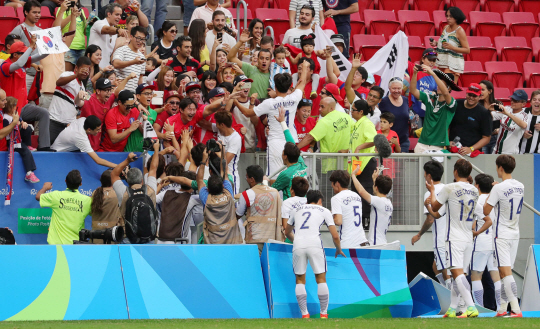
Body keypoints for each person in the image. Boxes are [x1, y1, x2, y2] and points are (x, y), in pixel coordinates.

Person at [426, 159, 481, 318]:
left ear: (455, 172)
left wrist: (431, 192)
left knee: (457, 274)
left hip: (454, 237)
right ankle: (453, 308)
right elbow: (439, 213)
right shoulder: (474, 190)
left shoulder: (450, 188)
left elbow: (435, 207)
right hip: (468, 238)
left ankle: (471, 306)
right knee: (461, 274)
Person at [235, 64, 309, 176]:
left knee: (274, 176)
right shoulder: (294, 98)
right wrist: (304, 67)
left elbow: (247, 112)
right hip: (291, 141)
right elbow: (302, 82)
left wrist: (235, 100)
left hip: (275, 143)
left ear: (275, 87)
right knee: (293, 175)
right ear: (289, 86)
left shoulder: (269, 103)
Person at [285, 190, 346, 319]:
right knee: (321, 279)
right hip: (315, 244)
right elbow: (335, 235)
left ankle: (304, 314)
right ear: (319, 201)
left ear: (307, 200)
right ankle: (323, 313)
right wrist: (339, 249)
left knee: (300, 281)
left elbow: (287, 231)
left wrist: (296, 239)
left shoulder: (296, 210)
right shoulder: (324, 210)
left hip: (298, 244)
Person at [483, 155, 524, 318]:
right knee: (504, 272)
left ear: (500, 168)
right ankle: (502, 309)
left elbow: (486, 211)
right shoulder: (520, 186)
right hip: (515, 233)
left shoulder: (498, 188)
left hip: (502, 234)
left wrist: (492, 192)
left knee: (505, 272)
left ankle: (515, 309)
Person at [0, 38, 52, 151]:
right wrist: (30, 47)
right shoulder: (5, 66)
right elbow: (18, 64)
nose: (26, 55)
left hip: (23, 106)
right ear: (15, 55)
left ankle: (44, 147)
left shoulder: (23, 62)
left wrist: (52, 44)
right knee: (25, 129)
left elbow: (41, 56)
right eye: (22, 53)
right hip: (11, 110)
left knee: (44, 113)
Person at [412, 160, 451, 288]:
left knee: (446, 272)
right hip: (452, 237)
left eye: (424, 173)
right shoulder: (447, 189)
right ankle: (448, 294)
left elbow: (430, 219)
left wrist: (419, 234)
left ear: (429, 176)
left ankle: (453, 301)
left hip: (441, 240)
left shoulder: (429, 193)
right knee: (436, 266)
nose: (423, 175)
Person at [197, 148, 243, 244]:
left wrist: (203, 160)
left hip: (213, 244)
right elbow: (225, 172)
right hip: (232, 243)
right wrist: (222, 151)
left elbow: (199, 180)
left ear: (208, 189)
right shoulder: (229, 195)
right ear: (223, 186)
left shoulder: (206, 199)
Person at [297, 97, 354, 173]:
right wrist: (349, 150)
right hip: (345, 163)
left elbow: (310, 137)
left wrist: (295, 149)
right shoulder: (346, 117)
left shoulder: (324, 121)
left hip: (329, 165)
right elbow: (355, 133)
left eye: (322, 107)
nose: (319, 109)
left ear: (331, 108)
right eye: (319, 106)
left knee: (328, 184)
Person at [111, 141, 160, 228]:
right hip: (148, 237)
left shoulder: (123, 192)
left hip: (128, 238)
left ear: (127, 180)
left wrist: (127, 160)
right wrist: (156, 150)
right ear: (142, 180)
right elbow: (153, 169)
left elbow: (114, 174)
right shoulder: (150, 190)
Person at [36, 170, 92, 245]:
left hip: (55, 245)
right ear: (80, 184)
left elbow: (38, 196)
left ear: (65, 181)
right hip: (75, 245)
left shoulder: (56, 196)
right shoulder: (87, 200)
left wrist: (45, 188)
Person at [236, 165, 284, 252]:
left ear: (252, 179)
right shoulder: (275, 192)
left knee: (256, 264)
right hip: (272, 238)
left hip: (254, 238)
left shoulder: (246, 194)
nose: (246, 179)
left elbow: (238, 214)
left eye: (246, 177)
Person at [410, 66, 458, 153]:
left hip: (438, 146)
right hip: (421, 144)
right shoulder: (429, 98)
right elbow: (413, 90)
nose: (438, 87)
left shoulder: (452, 103)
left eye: (442, 85)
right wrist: (415, 74)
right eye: (438, 84)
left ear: (449, 88)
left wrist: (433, 74)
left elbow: (446, 93)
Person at [80, 76, 135, 151]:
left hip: (97, 136)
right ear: (98, 91)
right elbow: (79, 103)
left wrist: (127, 78)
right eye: (106, 90)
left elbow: (117, 92)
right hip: (85, 134)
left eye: (110, 90)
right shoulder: (89, 99)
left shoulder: (109, 98)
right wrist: (78, 96)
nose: (109, 93)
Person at [471, 173, 500, 309]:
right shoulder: (497, 199)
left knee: (476, 275)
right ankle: (502, 307)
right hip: (495, 241)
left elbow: (474, 222)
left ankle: (479, 308)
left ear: (477, 186)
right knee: (496, 276)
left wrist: (474, 232)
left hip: (481, 241)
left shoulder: (477, 200)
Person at [265, 107, 308, 200]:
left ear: (285, 156)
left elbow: (271, 191)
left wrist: (264, 182)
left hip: (289, 209)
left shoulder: (285, 175)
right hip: (303, 203)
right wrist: (282, 122)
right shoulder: (301, 163)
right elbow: (291, 141)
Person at [49, 56, 91, 144]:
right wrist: (76, 75)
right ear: (76, 68)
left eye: (88, 70)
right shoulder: (67, 74)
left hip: (68, 124)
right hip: (54, 120)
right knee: (48, 147)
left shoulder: (82, 87)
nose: (85, 73)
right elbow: (58, 82)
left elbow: (78, 106)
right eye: (83, 70)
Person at [347, 99, 377, 222]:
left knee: (364, 192)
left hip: (367, 163)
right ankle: (358, 219)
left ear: (360, 112)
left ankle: (366, 220)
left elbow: (374, 139)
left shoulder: (366, 123)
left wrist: (359, 147)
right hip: (357, 164)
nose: (350, 112)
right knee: (356, 192)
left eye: (353, 110)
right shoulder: (356, 124)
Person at [51, 115, 119, 168]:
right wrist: (119, 166)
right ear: (89, 130)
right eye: (97, 130)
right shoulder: (80, 137)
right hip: (57, 155)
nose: (100, 131)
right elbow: (98, 160)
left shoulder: (83, 119)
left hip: (67, 148)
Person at [1, 96, 39, 183]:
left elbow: (20, 120)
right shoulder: (5, 118)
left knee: (27, 128)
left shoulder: (15, 115)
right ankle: (29, 173)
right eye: (15, 106)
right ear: (10, 107)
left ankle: (27, 144)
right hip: (12, 142)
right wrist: (15, 124)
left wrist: (23, 123)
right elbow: (7, 130)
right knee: (25, 151)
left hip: (18, 139)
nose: (16, 107)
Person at [351, 167, 393, 246]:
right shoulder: (388, 203)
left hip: (375, 244)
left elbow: (361, 191)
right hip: (382, 242)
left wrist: (353, 175)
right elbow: (378, 192)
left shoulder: (378, 201)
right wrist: (375, 179)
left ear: (376, 187)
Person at [449, 83, 492, 155]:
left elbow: (486, 138)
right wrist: (448, 142)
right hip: (452, 149)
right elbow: (447, 125)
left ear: (479, 97)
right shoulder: (456, 104)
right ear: (466, 93)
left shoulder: (484, 113)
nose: (471, 97)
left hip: (471, 153)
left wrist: (471, 148)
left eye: (474, 96)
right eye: (469, 94)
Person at [9, 1, 43, 93]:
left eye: (39, 12)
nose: (37, 15)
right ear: (26, 12)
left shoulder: (41, 31)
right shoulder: (19, 29)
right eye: (34, 12)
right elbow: (10, 51)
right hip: (24, 74)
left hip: (37, 75)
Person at [157, 171, 200, 244]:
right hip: (177, 243)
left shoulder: (166, 193)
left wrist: (160, 185)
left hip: (161, 241)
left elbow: (151, 200)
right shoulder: (192, 199)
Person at [227, 31, 272, 98]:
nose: (264, 61)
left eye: (267, 59)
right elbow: (231, 57)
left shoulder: (274, 73)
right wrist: (240, 42)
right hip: (251, 106)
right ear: (258, 59)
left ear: (270, 61)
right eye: (261, 58)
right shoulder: (250, 68)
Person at [329, 169, 368, 247]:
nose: (331, 186)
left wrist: (328, 216)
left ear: (337, 184)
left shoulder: (336, 198)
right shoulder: (356, 196)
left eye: (332, 183)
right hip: (362, 241)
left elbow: (338, 221)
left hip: (348, 243)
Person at [430, 7, 470, 81]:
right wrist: (436, 43)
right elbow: (445, 43)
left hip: (452, 65)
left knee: (446, 90)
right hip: (442, 62)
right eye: (447, 16)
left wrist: (453, 48)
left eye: (451, 16)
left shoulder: (460, 31)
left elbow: (467, 50)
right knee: (439, 89)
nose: (448, 18)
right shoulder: (445, 27)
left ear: (457, 17)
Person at [489, 90, 529, 155]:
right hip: (496, 150)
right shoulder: (507, 109)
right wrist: (489, 110)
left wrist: (508, 114)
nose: (512, 102)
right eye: (512, 99)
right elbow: (490, 117)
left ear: (523, 104)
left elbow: (524, 125)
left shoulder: (524, 115)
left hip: (511, 153)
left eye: (516, 101)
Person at [90, 4, 128, 69]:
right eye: (117, 14)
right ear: (109, 14)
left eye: (120, 15)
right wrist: (118, 30)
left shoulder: (115, 33)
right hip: (94, 69)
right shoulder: (99, 23)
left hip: (105, 69)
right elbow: (106, 29)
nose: (119, 17)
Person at [90, 169, 123, 244]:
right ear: (113, 181)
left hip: (95, 238)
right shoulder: (117, 195)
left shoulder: (95, 193)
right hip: (111, 238)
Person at [112, 26, 148, 92]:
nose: (140, 42)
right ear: (131, 37)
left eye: (143, 39)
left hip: (132, 95)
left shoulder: (142, 57)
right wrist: (133, 62)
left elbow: (140, 80)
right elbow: (115, 64)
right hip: (119, 93)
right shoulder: (121, 50)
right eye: (138, 38)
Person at [379, 77, 410, 153]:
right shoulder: (384, 101)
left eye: (399, 88)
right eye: (394, 88)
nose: (396, 91)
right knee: (389, 164)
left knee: (403, 164)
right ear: (389, 88)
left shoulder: (405, 100)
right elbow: (381, 120)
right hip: (388, 140)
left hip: (403, 141)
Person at [408, 49, 439, 124]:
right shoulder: (415, 68)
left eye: (434, 60)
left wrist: (435, 93)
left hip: (428, 111)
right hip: (414, 109)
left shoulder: (435, 75)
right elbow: (402, 59)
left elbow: (437, 91)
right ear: (423, 59)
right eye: (430, 59)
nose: (432, 62)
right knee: (415, 134)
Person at [215, 111, 242, 194]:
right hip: (218, 175)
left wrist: (215, 151)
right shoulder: (220, 131)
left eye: (217, 123)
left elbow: (225, 161)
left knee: (232, 205)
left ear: (222, 125)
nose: (216, 125)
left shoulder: (235, 138)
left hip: (231, 176)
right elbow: (205, 124)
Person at [229, 75, 257, 152]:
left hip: (251, 145)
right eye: (243, 85)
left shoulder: (255, 101)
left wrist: (252, 104)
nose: (246, 87)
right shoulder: (231, 102)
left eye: (248, 85)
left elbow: (256, 122)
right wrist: (234, 93)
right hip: (234, 145)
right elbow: (226, 112)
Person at [56, 1, 87, 72]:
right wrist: (72, 15)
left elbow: (84, 31)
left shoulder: (81, 10)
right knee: (67, 75)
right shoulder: (62, 9)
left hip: (81, 47)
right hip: (69, 47)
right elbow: (58, 27)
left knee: (80, 76)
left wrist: (89, 24)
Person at [479, 80, 502, 154]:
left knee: (493, 162)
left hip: (495, 138)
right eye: (479, 90)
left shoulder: (497, 104)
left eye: (483, 90)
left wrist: (500, 129)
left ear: (490, 91)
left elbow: (505, 118)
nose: (480, 92)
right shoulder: (477, 105)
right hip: (481, 138)